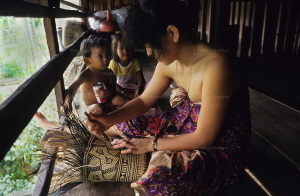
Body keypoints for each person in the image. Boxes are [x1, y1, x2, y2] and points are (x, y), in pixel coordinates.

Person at [85, 0, 252, 195]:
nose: (148, 52)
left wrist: (150, 144)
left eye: (150, 45)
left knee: (161, 175)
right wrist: (107, 120)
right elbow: (144, 101)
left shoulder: (217, 65)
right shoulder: (168, 62)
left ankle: (157, 156)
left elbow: (204, 138)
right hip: (184, 124)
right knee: (128, 123)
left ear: (172, 33)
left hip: (218, 149)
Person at [109, 33, 146, 99]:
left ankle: (134, 97)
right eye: (121, 48)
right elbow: (113, 83)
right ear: (115, 50)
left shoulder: (135, 61)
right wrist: (125, 93)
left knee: (150, 86)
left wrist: (139, 89)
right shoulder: (113, 63)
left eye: (128, 47)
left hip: (134, 86)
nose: (125, 51)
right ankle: (133, 98)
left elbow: (141, 79)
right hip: (120, 87)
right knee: (113, 93)